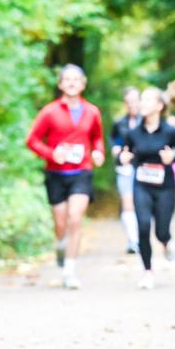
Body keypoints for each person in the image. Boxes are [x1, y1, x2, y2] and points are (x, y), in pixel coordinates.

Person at [26, 64, 105, 289]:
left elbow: (97, 138)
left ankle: (70, 272)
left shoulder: (92, 112)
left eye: (76, 79)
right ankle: (60, 244)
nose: (71, 83)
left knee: (75, 219)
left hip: (82, 172)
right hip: (56, 174)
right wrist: (52, 154)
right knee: (60, 223)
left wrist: (99, 152)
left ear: (83, 84)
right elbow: (32, 140)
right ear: (60, 84)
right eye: (67, 79)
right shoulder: (50, 111)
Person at [119, 88, 175, 289]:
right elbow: (124, 155)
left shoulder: (169, 131)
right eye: (141, 99)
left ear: (159, 106)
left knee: (161, 231)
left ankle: (167, 242)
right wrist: (122, 158)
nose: (142, 103)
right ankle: (147, 272)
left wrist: (174, 158)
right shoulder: (133, 133)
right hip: (141, 185)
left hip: (165, 187)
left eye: (147, 100)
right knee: (143, 226)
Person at [110, 87, 141, 254]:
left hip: (144, 169)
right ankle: (133, 240)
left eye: (135, 101)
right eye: (129, 102)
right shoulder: (119, 123)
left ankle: (140, 236)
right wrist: (116, 149)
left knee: (141, 205)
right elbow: (113, 140)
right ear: (125, 103)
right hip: (125, 169)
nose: (132, 105)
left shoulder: (147, 121)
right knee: (127, 204)